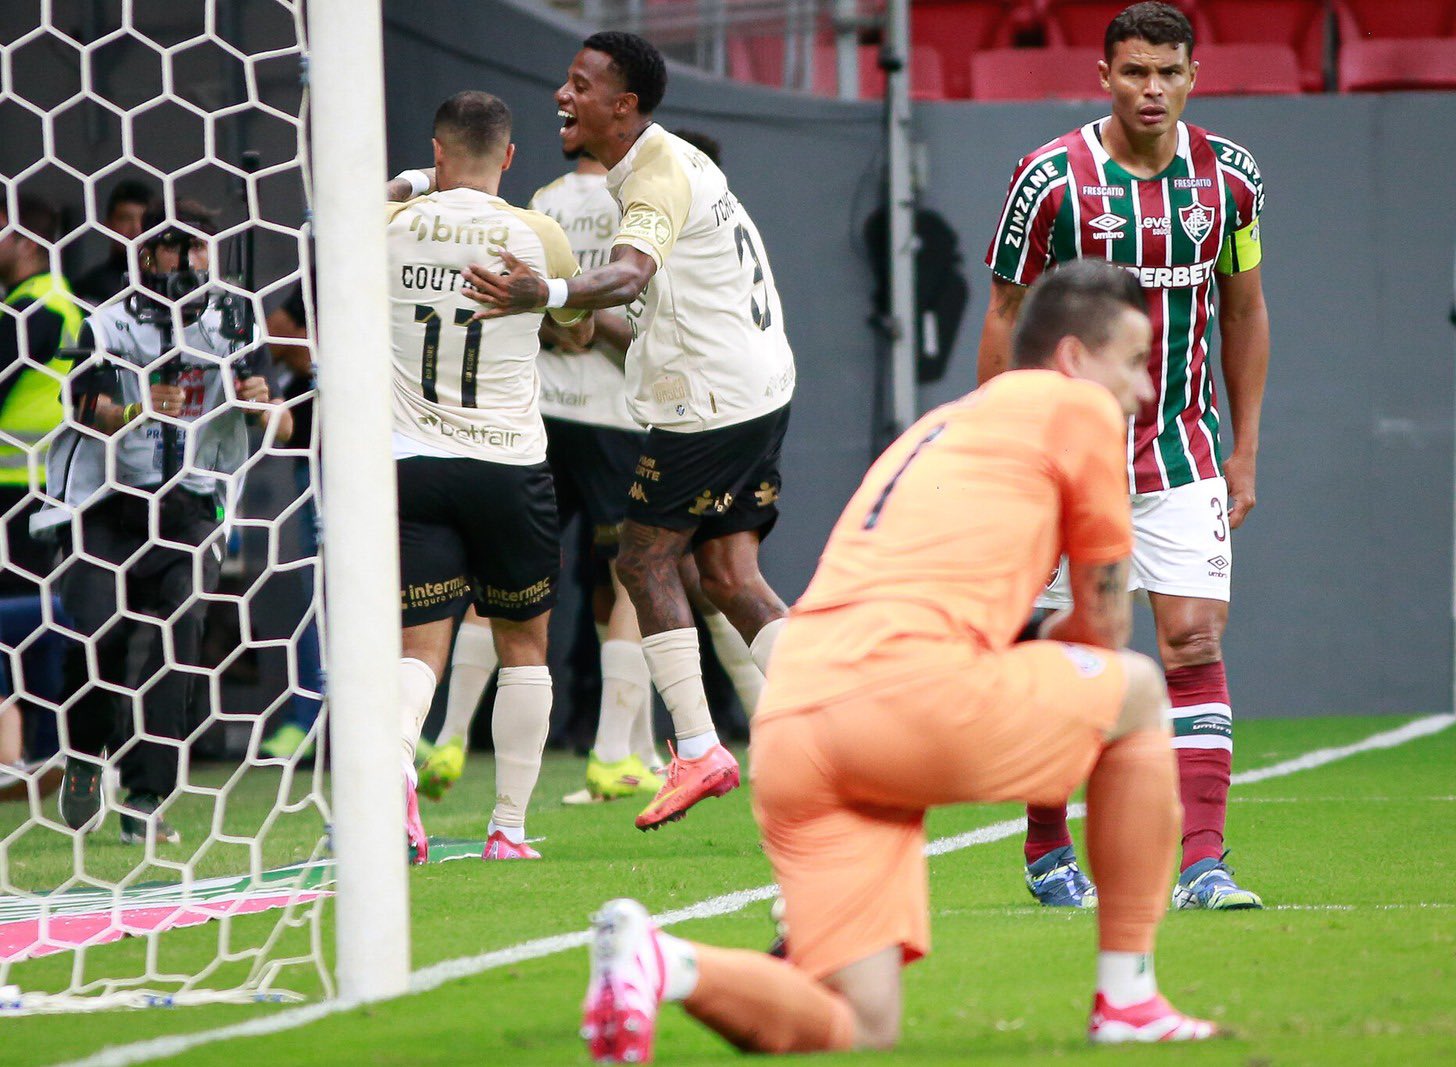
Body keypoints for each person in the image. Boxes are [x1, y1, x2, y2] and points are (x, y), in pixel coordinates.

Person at [579, 262, 1219, 1060]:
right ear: (1072, 358)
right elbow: (1105, 628)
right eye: (1136, 360)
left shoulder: (941, 425)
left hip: (796, 720)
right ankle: (1128, 995)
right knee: (1141, 689)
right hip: (902, 697)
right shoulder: (1080, 407)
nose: (1144, 388)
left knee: (861, 1022)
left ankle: (661, 960)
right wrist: (1046, 652)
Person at [977, 1, 1270, 911]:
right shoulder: (1048, 180)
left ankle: (1204, 863)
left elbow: (1245, 310)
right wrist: (1001, 446)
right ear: (1104, 75)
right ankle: (1046, 846)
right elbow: (1004, 314)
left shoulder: (1231, 181)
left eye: (1169, 72)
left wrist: (1244, 448)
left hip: (1181, 447)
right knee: (1061, 650)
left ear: (1194, 78)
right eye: (1135, 71)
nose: (1153, 89)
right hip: (1063, 455)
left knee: (1194, 638)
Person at [462, 32, 795, 832]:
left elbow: (630, 273)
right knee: (729, 575)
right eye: (567, 80)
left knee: (642, 558)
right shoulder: (662, 163)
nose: (562, 96)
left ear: (625, 106)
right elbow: (644, 301)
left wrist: (547, 293)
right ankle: (828, 723)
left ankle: (700, 749)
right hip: (756, 386)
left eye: (581, 86)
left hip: (709, 400)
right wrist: (580, 318)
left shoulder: (653, 173)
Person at [382, 90, 591, 862]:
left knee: (418, 645)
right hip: (507, 464)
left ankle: (396, 765)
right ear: (508, 156)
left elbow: (332, 226)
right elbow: (579, 328)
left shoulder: (390, 222)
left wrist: (411, 181)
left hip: (412, 464)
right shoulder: (538, 233)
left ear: (437, 151)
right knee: (524, 644)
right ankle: (507, 829)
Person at [40, 200, 290, 843]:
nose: (191, 260)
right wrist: (137, 409)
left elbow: (285, 424)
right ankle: (84, 752)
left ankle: (146, 798)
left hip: (190, 507)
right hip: (106, 505)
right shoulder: (110, 321)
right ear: (146, 253)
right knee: (99, 635)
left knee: (181, 634)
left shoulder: (235, 322)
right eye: (178, 245)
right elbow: (83, 405)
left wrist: (261, 405)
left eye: (203, 246)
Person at [0, 193, 79, 792]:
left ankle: (22, 750)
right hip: (40, 485)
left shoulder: (33, 310)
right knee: (36, 618)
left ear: (27, 240)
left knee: (20, 620)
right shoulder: (56, 302)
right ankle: (45, 747)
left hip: (14, 489)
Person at [258, 281, 324, 761]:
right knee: (319, 591)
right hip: (320, 457)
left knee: (394, 593)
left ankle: (399, 719)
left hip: (397, 453)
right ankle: (307, 718)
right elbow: (273, 335)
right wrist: (316, 361)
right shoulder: (328, 267)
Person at [71, 179, 154, 307]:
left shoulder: (169, 282)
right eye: (125, 219)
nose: (136, 228)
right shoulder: (91, 286)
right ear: (108, 225)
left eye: (145, 219)